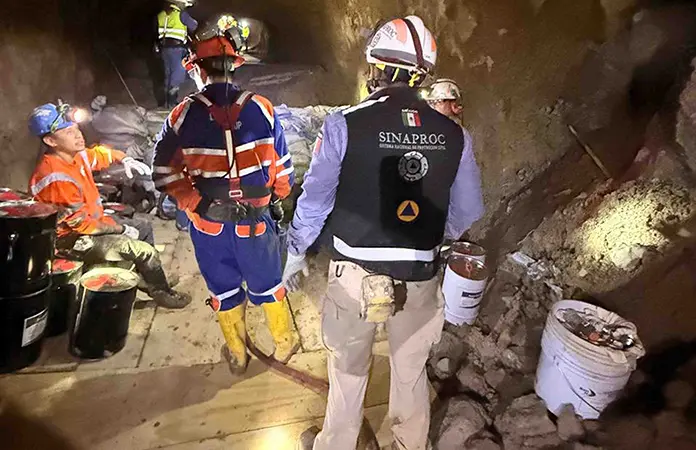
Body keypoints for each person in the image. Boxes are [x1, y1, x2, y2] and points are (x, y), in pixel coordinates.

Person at [286, 16, 485, 450]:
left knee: (348, 370)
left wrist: (296, 250)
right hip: (420, 275)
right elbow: (468, 210)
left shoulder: (344, 124)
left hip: (355, 274)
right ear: (423, 75)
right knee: (410, 373)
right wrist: (430, 237)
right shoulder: (455, 135)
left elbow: (316, 201)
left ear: (376, 67)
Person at [152, 25, 299, 374]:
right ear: (233, 67)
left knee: (223, 288)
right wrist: (276, 200)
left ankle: (237, 352)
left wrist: (195, 203)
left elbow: (162, 172)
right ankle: (285, 343)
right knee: (269, 283)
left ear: (198, 70)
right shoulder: (262, 108)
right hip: (255, 222)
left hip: (209, 226)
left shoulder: (182, 114)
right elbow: (283, 169)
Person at [28, 102, 192, 309]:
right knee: (143, 251)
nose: (78, 135)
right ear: (50, 140)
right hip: (71, 240)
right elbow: (82, 226)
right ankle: (162, 292)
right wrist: (120, 229)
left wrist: (124, 159)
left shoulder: (74, 156)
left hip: (93, 221)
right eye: (69, 132)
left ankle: (152, 280)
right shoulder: (56, 177)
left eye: (76, 129)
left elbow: (99, 154)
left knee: (144, 228)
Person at [156, 0, 198, 107]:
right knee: (178, 74)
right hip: (177, 49)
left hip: (164, 48)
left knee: (168, 73)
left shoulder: (161, 14)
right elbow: (194, 26)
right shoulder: (181, 14)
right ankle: (171, 100)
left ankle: (164, 101)